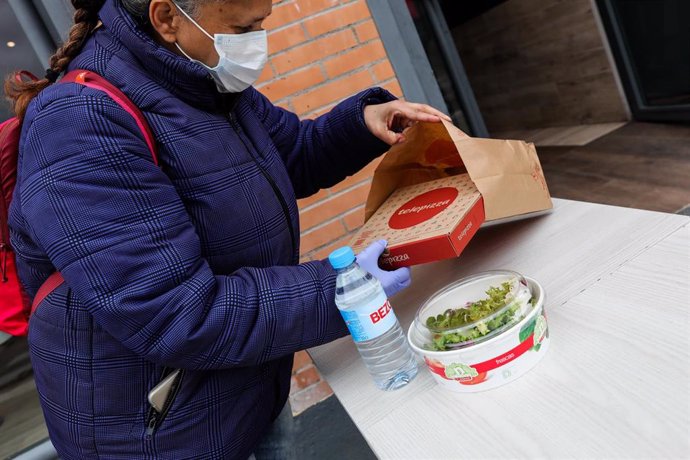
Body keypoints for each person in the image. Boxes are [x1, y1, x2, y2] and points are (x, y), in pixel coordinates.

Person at [4, 0, 450, 458]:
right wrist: (346, 288)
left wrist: (360, 124)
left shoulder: (198, 74)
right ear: (167, 18)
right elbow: (176, 314)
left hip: (243, 386)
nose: (257, 40)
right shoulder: (80, 124)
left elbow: (290, 154)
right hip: (166, 433)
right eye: (245, 27)